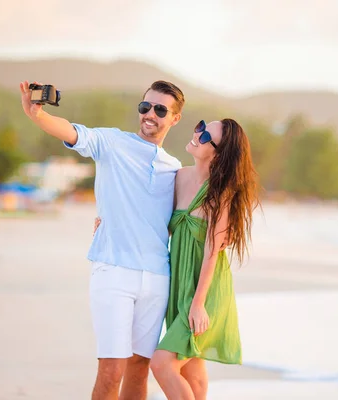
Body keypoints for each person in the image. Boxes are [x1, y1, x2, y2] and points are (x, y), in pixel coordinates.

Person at [19, 79, 185, 400]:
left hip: (156, 277)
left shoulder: (174, 168)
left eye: (160, 109)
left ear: (174, 119)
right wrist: (37, 115)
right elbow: (72, 132)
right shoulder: (112, 142)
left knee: (139, 369)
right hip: (113, 272)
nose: (150, 114)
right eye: (145, 106)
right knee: (111, 371)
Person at [95, 118, 261, 399]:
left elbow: (211, 252)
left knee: (163, 364)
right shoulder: (179, 177)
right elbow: (149, 213)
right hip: (178, 286)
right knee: (192, 375)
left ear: (219, 153)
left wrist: (198, 305)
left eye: (206, 134)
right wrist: (111, 223)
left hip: (204, 292)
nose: (198, 133)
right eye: (201, 126)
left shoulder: (221, 193)